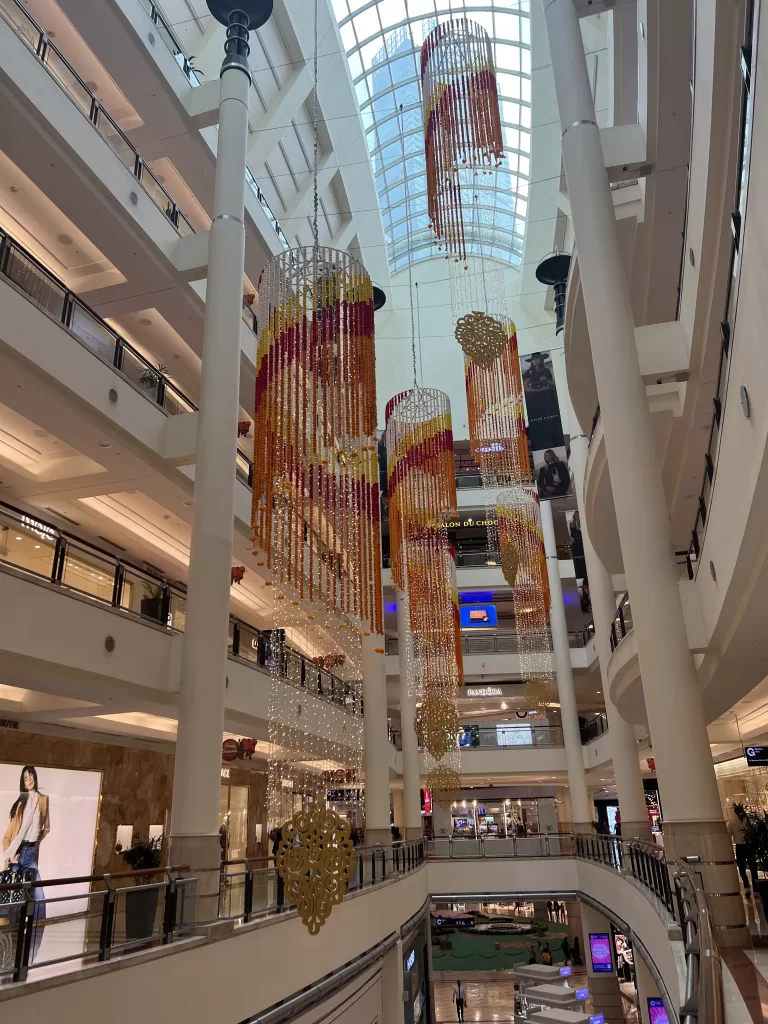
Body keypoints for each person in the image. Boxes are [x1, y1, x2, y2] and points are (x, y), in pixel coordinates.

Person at [2, 766, 49, 963]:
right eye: (25, 777)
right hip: (17, 853)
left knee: (38, 900)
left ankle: (30, 956)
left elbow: (45, 828)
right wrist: (10, 856)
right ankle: (8, 951)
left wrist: (34, 845)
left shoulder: (43, 800)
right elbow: (8, 837)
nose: (28, 779)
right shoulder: (20, 804)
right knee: (11, 901)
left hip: (30, 855)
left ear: (35, 778)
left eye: (30, 776)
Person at [729, 803, 758, 895]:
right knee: (753, 867)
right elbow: (754, 831)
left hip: (739, 847)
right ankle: (756, 889)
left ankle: (746, 887)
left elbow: (729, 833)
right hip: (749, 846)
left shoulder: (732, 822)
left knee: (742, 869)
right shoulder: (748, 820)